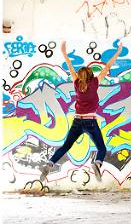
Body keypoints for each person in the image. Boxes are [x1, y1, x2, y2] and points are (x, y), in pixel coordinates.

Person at [39, 41, 123, 183]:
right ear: (90, 75)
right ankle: (97, 164)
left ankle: (50, 163)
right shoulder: (95, 82)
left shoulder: (76, 83)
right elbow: (108, 66)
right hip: (90, 121)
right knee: (101, 148)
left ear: (80, 75)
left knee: (66, 146)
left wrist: (64, 53)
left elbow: (70, 67)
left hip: (77, 121)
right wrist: (118, 52)